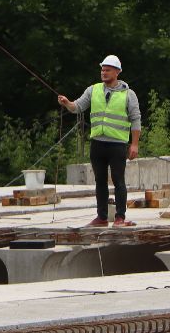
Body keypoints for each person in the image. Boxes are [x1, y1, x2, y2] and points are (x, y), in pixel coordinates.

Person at [56, 54, 141, 228]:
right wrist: (67, 103)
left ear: (117, 72)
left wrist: (134, 144)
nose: (104, 73)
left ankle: (119, 218)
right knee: (100, 181)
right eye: (102, 70)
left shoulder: (128, 94)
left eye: (108, 70)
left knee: (118, 180)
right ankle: (101, 217)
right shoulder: (92, 90)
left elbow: (136, 119)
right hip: (97, 144)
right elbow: (77, 107)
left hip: (117, 144)